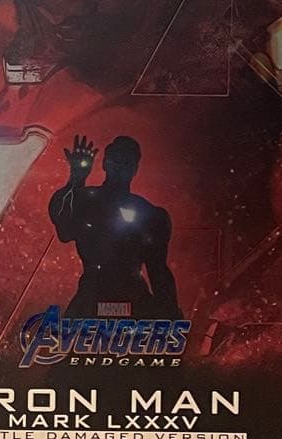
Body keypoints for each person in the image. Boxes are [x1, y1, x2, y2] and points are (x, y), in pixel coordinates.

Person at [49, 135, 182, 320]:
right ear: (105, 163)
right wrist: (76, 179)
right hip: (97, 298)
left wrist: (172, 315)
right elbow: (64, 229)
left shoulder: (150, 214)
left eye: (127, 162)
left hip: (126, 300)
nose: (121, 167)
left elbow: (158, 271)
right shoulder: (87, 201)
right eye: (117, 160)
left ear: (135, 169)